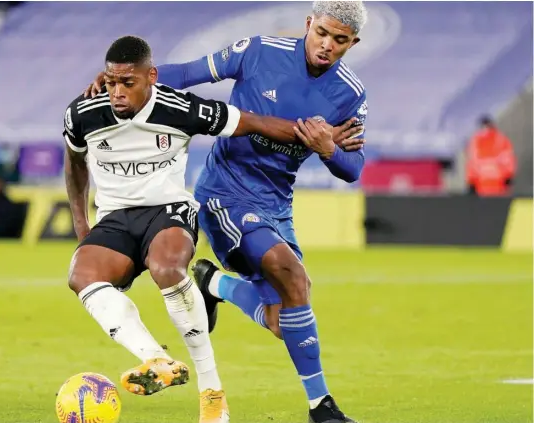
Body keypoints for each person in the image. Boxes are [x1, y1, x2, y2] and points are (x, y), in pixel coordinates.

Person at [84, 2, 368, 422]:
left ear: (353, 43)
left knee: (282, 317)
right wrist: (127, 80)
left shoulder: (351, 93)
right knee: (292, 274)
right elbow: (185, 73)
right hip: (225, 193)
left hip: (277, 205)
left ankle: (212, 282)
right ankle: (321, 407)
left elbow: (353, 168)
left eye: (340, 40)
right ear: (308, 24)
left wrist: (329, 150)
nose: (327, 45)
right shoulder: (258, 51)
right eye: (322, 33)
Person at [466, 115, 516, 197]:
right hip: (486, 185)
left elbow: (508, 160)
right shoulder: (476, 141)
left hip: (495, 185)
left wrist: (508, 177)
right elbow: (472, 163)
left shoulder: (499, 140)